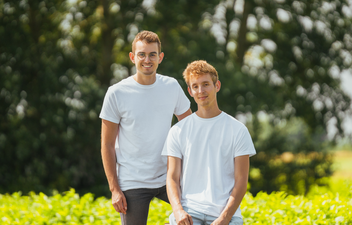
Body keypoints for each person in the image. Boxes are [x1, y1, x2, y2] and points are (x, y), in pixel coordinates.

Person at [99, 30, 192, 225]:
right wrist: (115, 189)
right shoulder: (116, 93)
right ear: (133, 57)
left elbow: (190, 130)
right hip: (133, 181)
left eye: (152, 54)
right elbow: (107, 145)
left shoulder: (172, 87)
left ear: (160, 57)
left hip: (169, 177)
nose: (147, 59)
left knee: (198, 216)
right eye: (142, 54)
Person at [162, 60, 256, 225]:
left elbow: (241, 180)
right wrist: (178, 211)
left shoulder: (238, 130)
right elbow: (172, 178)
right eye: (195, 86)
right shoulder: (178, 131)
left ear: (217, 86)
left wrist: (224, 218)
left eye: (206, 84)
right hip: (189, 212)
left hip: (227, 215)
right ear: (190, 91)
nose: (201, 91)